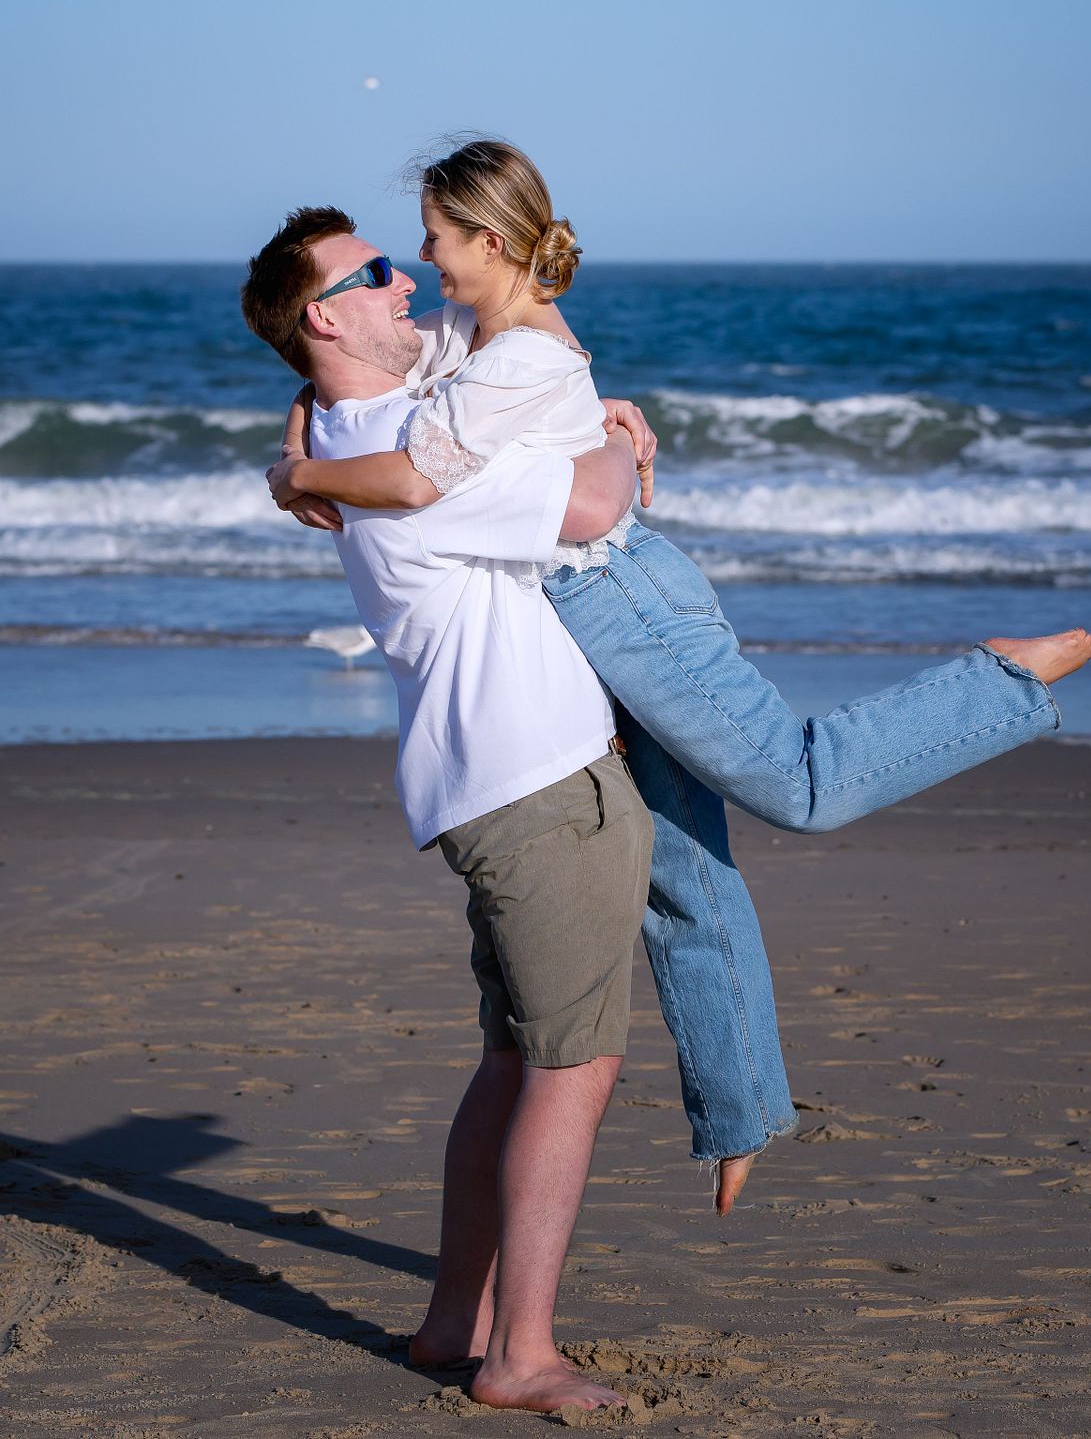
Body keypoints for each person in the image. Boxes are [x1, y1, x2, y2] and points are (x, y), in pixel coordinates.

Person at [267, 142, 1091, 1215]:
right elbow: (352, 372)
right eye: (391, 263)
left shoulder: (514, 353)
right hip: (590, 612)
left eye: (427, 244)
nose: (413, 270)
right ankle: (742, 1107)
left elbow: (522, 492)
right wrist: (298, 424)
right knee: (680, 872)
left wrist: (301, 474)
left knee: (801, 786)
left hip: (622, 598)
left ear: (487, 243)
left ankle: (997, 681)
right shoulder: (469, 339)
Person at [242, 208, 659, 1414]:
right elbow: (589, 509)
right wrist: (619, 440)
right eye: (373, 272)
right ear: (325, 315)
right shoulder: (407, 458)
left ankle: (448, 1326)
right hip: (538, 783)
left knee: (513, 1060)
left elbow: (458, 380)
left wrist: (295, 450)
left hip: (492, 782)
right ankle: (519, 1356)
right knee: (570, 1071)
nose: (406, 278)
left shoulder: (355, 426)